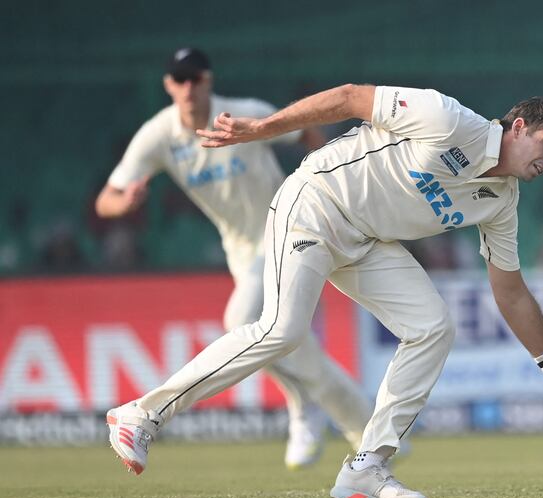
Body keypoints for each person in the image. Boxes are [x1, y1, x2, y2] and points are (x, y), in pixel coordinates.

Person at [107, 83, 543, 498]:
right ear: (519, 126)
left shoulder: (501, 202)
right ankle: (142, 415)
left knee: (432, 327)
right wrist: (265, 129)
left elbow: (510, 291)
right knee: (282, 330)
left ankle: (366, 468)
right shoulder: (448, 118)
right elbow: (348, 98)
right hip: (317, 203)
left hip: (367, 241)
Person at [96, 48, 372, 470]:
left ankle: (146, 414)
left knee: (241, 321)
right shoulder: (158, 135)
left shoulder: (244, 112)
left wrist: (324, 185)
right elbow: (106, 201)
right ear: (168, 85)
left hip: (290, 229)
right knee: (286, 338)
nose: (188, 87)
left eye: (195, 78)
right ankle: (350, 420)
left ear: (208, 80)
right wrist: (125, 203)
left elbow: (305, 135)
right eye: (179, 79)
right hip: (241, 253)